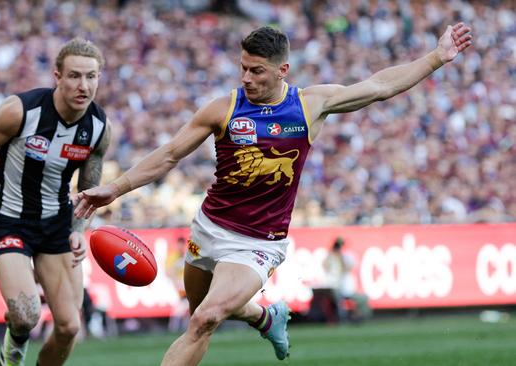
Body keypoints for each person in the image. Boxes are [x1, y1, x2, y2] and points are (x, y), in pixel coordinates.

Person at [74, 23, 472, 365]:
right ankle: (265, 318)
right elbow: (170, 155)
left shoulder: (310, 105)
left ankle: (257, 317)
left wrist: (436, 57)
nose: (247, 78)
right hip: (209, 227)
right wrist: (116, 187)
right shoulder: (223, 108)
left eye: (257, 71)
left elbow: (379, 86)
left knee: (204, 319)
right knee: (201, 313)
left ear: (283, 70)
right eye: (243, 68)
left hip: (257, 242)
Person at [0, 38, 112, 366]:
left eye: (91, 77)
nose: (84, 85)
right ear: (57, 76)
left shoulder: (99, 127)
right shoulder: (21, 111)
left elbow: (89, 190)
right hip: (10, 219)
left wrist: (79, 229)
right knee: (25, 315)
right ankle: (10, 360)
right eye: (74, 76)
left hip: (57, 224)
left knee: (70, 326)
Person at [322, 237, 370, 323]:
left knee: (362, 299)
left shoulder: (345, 256)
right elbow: (326, 266)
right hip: (336, 288)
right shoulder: (331, 257)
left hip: (346, 289)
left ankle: (357, 317)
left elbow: (347, 268)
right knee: (339, 302)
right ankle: (344, 319)